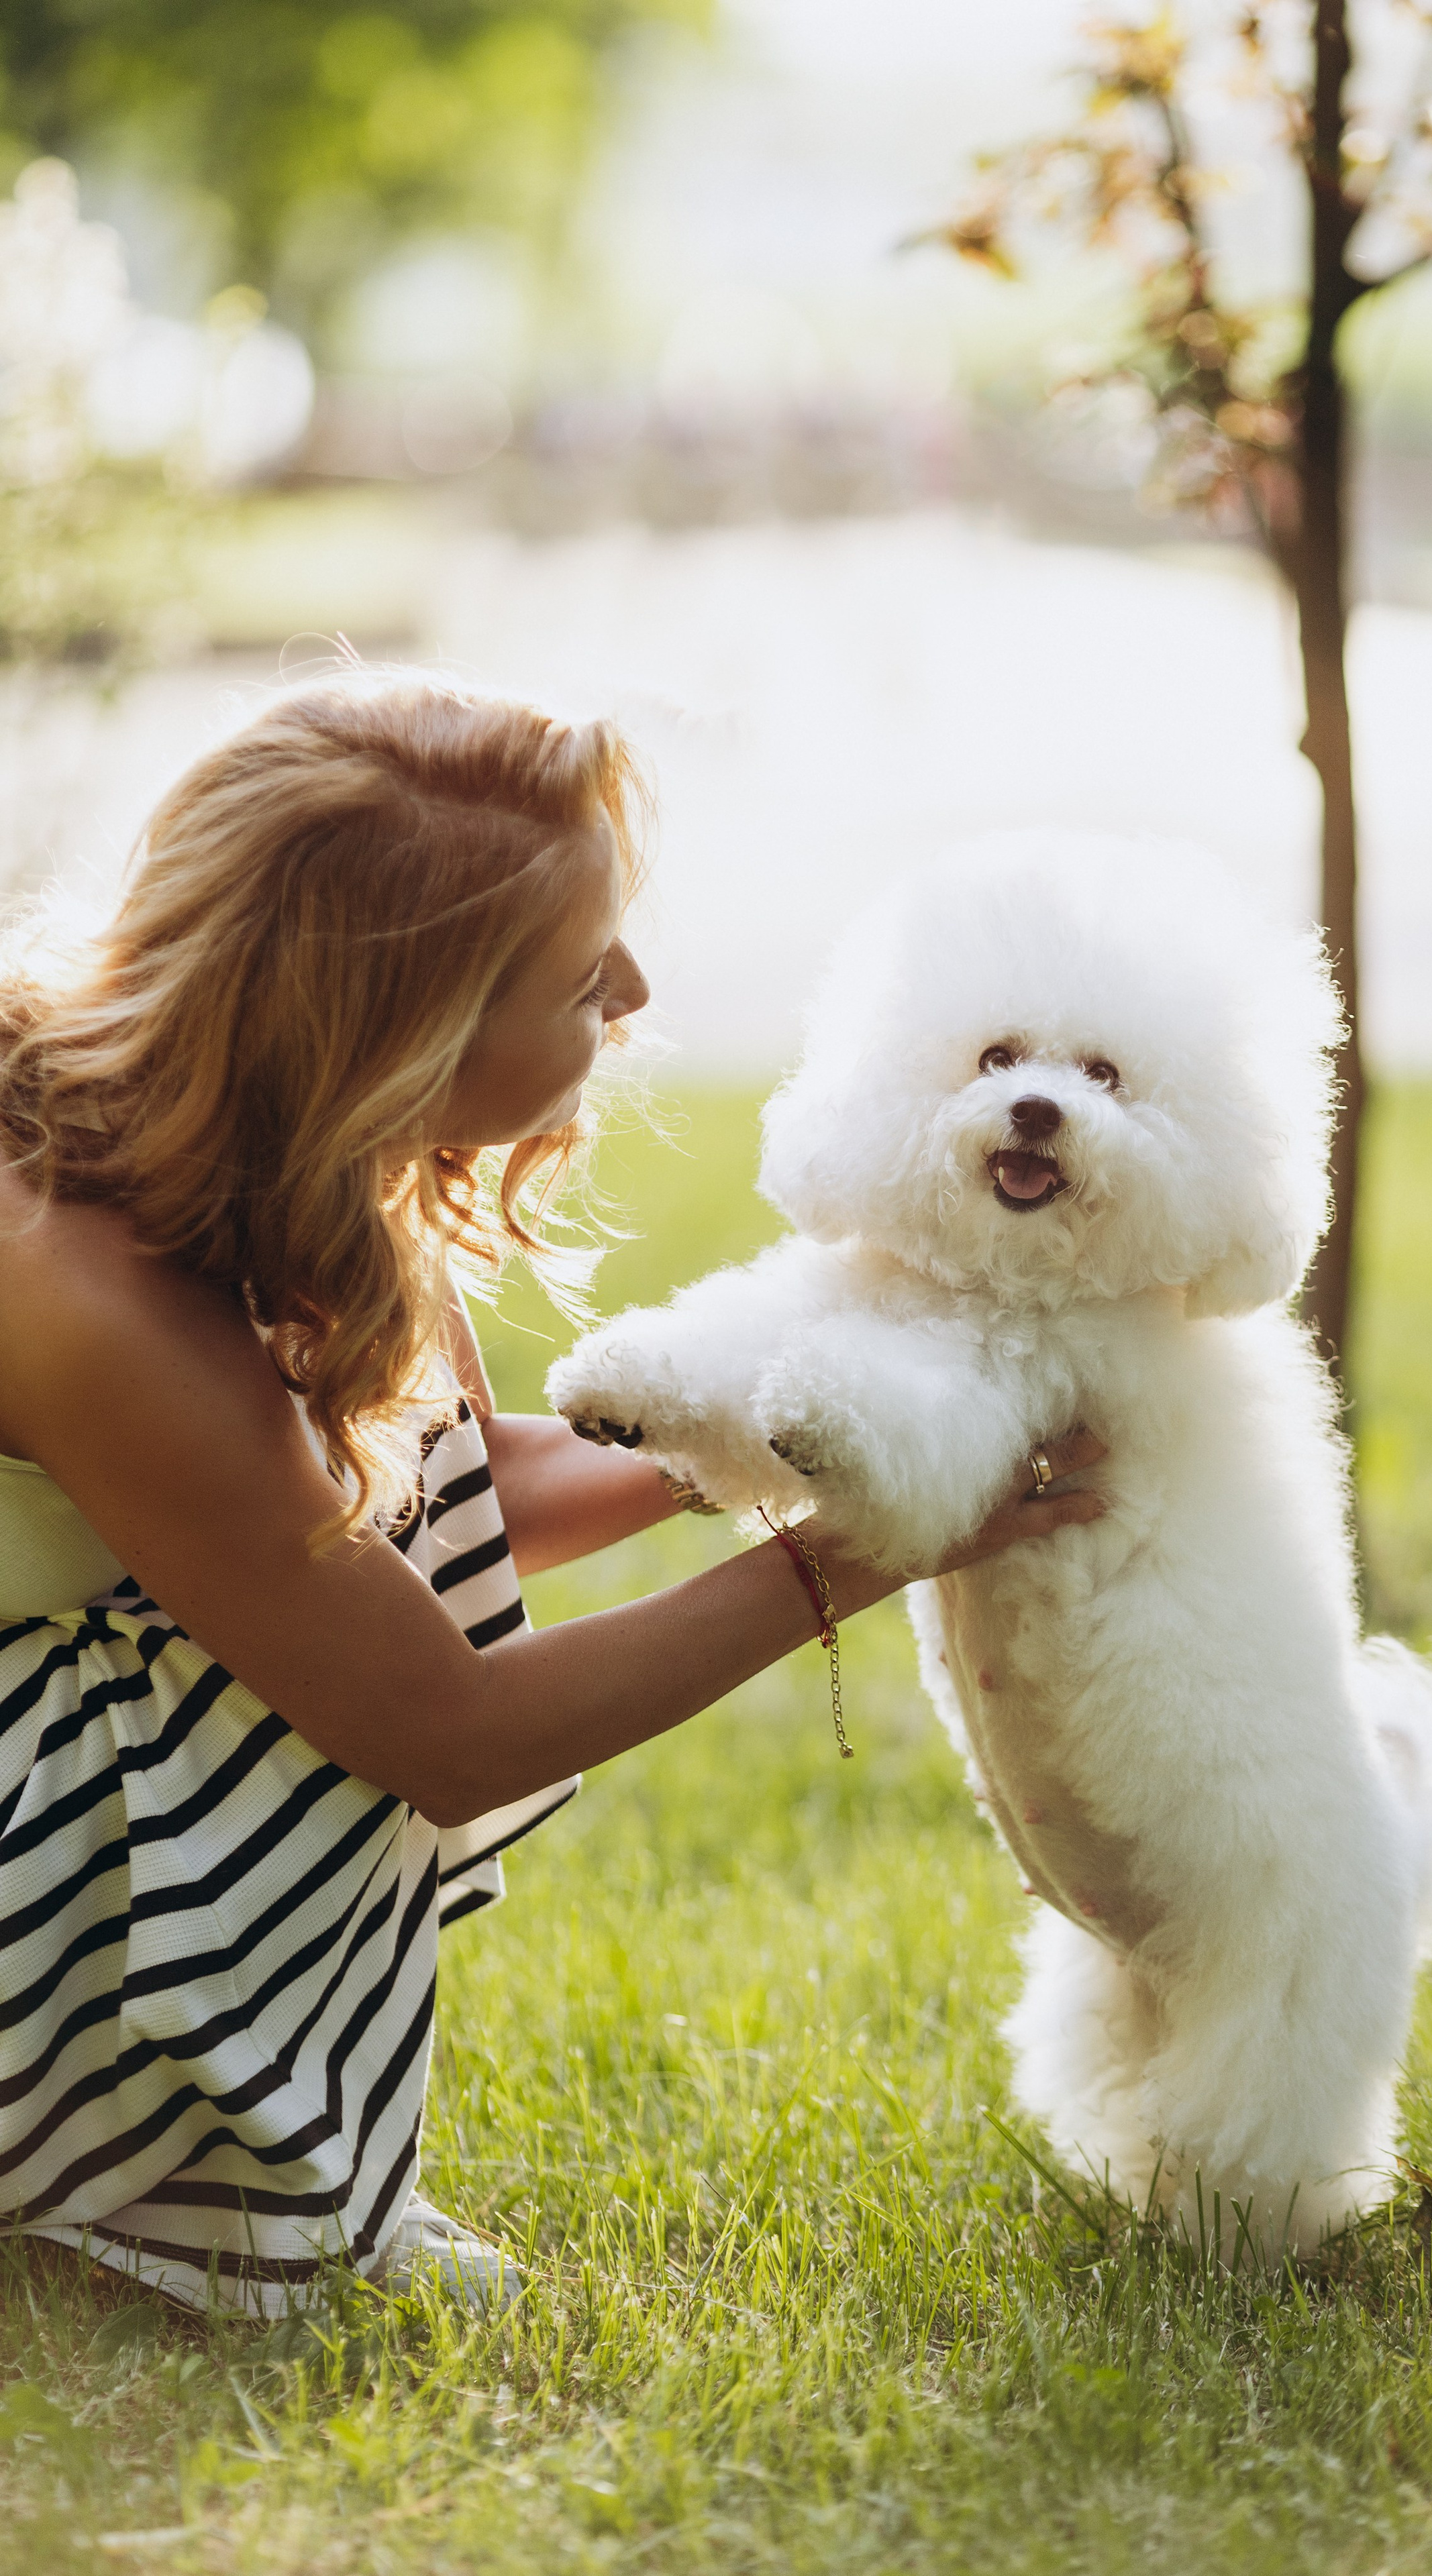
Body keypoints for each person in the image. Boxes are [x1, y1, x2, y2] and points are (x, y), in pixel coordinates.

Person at [0, 672, 1103, 2316]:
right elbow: (441, 1728)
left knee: (274, 1646)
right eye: (586, 975)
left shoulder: (262, 1147)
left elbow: (451, 1484)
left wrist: (843, 1392)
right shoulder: (81, 1288)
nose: (640, 989)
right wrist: (867, 1547)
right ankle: (175, 2187)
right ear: (408, 1025)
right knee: (247, 1710)